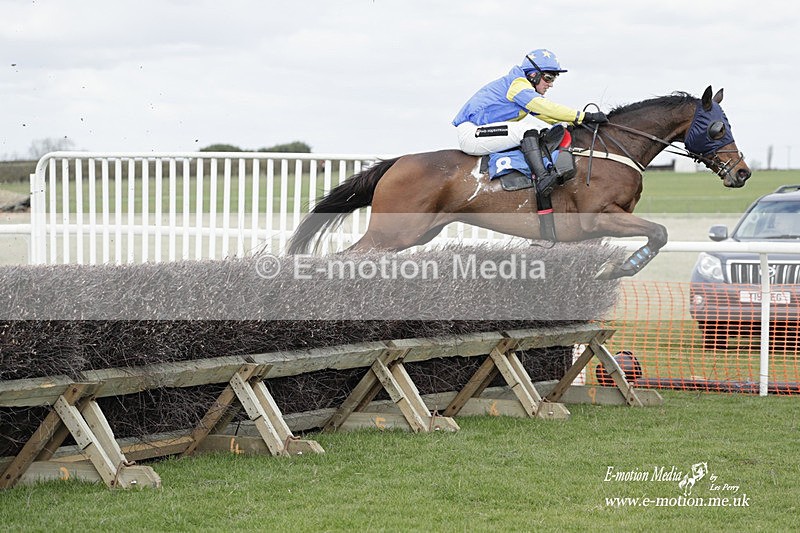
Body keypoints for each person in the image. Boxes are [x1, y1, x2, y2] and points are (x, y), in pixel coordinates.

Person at [453, 48, 607, 194]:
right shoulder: (518, 85)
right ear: (533, 75)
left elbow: (547, 116)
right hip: (472, 133)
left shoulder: (522, 89)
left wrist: (574, 124)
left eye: (554, 78)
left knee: (536, 130)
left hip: (481, 132)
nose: (551, 84)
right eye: (549, 77)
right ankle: (543, 179)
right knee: (526, 130)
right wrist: (584, 116)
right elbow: (546, 107)